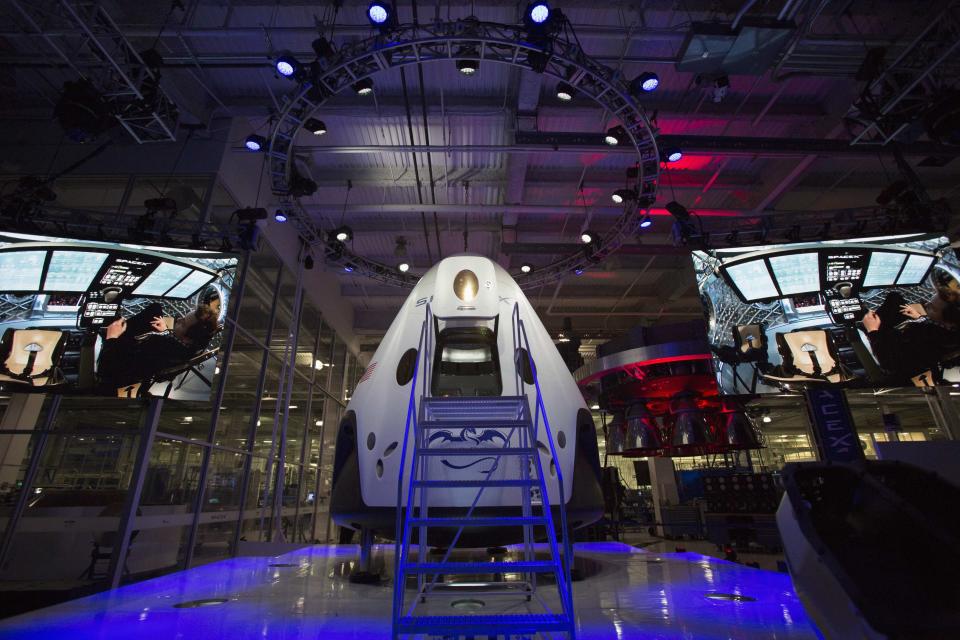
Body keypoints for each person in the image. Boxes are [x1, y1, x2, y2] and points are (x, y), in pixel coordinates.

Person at [97, 299, 219, 391]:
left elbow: (108, 368)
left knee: (154, 309)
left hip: (120, 371)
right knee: (156, 309)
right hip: (146, 364)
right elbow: (173, 347)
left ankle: (109, 329)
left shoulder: (157, 345)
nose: (178, 319)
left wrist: (111, 338)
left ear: (188, 339)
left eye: (183, 323)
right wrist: (165, 332)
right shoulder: (196, 347)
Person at [862, 290, 960, 382]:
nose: (925, 305)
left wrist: (872, 331)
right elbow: (938, 328)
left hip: (893, 361)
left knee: (891, 301)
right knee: (895, 297)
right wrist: (921, 318)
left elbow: (889, 364)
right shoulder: (951, 333)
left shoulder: (920, 335)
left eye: (932, 308)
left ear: (949, 323)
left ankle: (863, 322)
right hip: (917, 357)